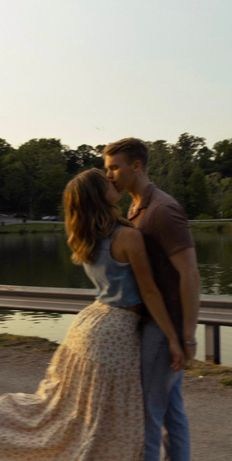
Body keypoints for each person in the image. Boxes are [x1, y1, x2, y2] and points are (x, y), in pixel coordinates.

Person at [0, 168, 184, 461]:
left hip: (90, 325)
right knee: (108, 415)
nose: (112, 181)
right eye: (105, 181)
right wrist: (174, 338)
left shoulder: (82, 236)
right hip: (117, 332)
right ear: (99, 196)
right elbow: (149, 292)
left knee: (73, 410)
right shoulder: (128, 237)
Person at [104, 138, 200, 461]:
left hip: (164, 329)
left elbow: (190, 274)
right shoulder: (136, 209)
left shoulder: (163, 210)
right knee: (172, 412)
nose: (110, 175)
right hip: (157, 325)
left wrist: (186, 336)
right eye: (106, 169)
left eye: (115, 167)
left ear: (137, 166)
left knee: (149, 415)